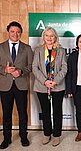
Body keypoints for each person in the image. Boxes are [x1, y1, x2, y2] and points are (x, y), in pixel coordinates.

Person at [32, 26, 67, 147]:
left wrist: (55, 81)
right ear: (43, 37)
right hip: (42, 86)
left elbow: (64, 68)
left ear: (55, 37)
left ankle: (56, 135)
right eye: (47, 35)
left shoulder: (61, 50)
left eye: (51, 36)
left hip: (57, 86)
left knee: (57, 111)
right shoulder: (38, 50)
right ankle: (47, 133)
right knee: (45, 111)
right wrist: (45, 81)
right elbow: (34, 68)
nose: (49, 38)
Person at [0, 21, 33, 149]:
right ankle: (6, 139)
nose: (15, 34)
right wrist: (5, 70)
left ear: (21, 33)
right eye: (12, 31)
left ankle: (23, 137)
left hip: (21, 85)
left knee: (22, 113)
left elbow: (30, 66)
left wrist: (21, 71)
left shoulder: (27, 48)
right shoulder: (1, 47)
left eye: (18, 32)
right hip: (5, 85)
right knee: (6, 113)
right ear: (8, 32)